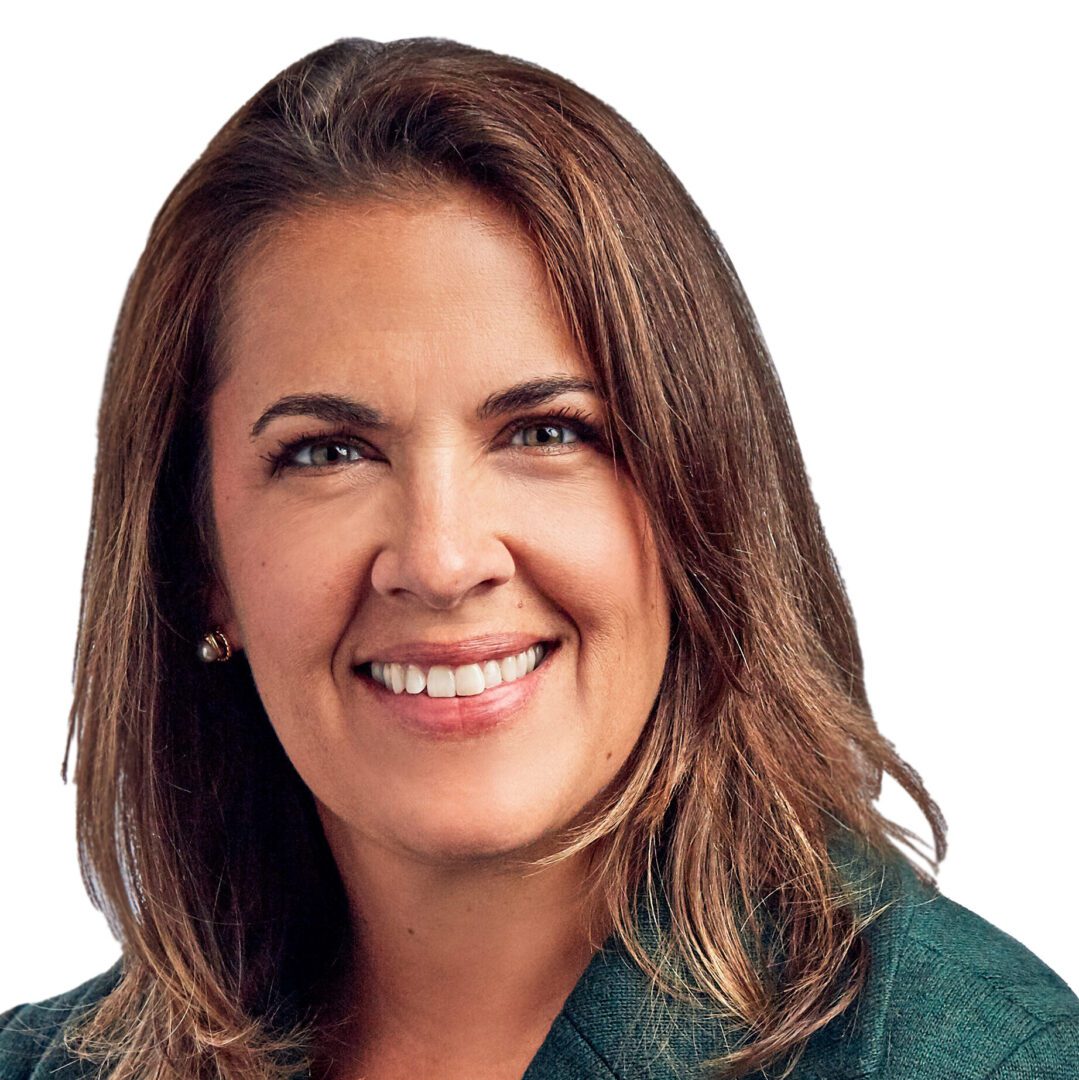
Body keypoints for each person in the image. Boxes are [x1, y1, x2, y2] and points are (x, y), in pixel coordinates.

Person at [1, 35, 1076, 1080]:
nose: (441, 555)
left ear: (700, 495)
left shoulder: (972, 1057)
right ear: (198, 559)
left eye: (546, 432)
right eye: (328, 452)